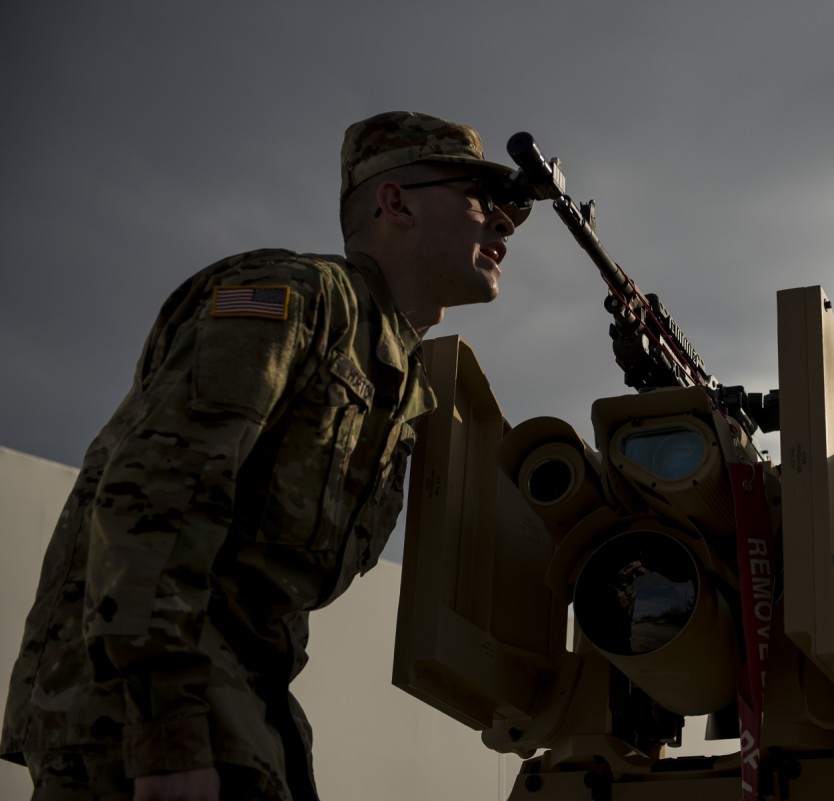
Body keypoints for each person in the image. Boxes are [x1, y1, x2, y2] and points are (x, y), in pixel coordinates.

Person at [1, 110, 531, 801]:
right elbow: (154, 499)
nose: (505, 222)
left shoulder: (400, 379)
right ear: (395, 202)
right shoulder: (295, 299)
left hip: (244, 708)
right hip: (134, 715)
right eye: (479, 197)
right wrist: (168, 734)